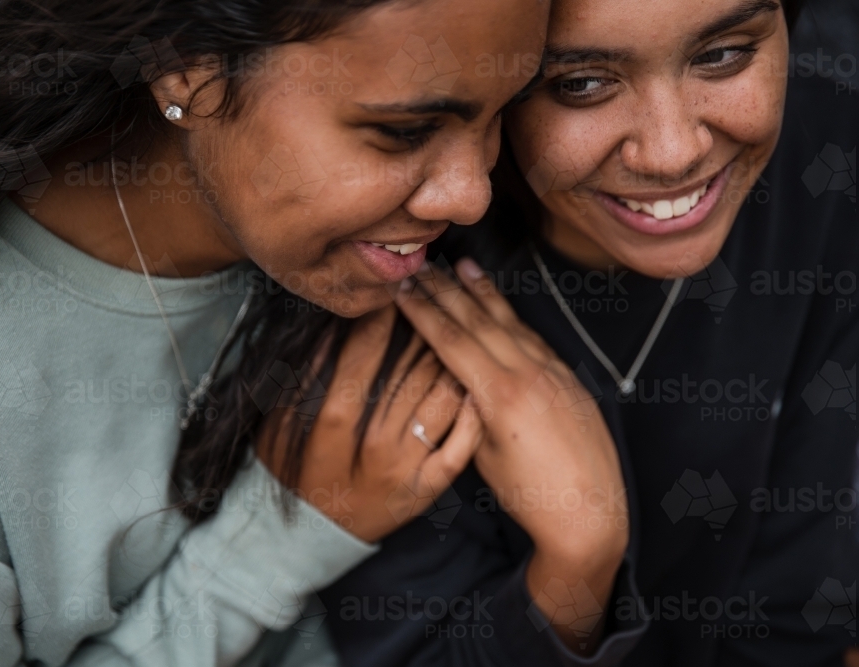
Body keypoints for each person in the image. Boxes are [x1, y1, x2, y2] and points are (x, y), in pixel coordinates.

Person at [0, 0, 549, 664]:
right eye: (404, 131)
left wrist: (583, 558)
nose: (470, 194)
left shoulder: (390, 263)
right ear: (190, 70)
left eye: (505, 108)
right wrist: (283, 538)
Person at [315, 0, 859, 665]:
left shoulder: (830, 161)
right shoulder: (391, 274)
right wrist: (580, 555)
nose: (672, 151)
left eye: (722, 55)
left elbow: (800, 623)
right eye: (581, 84)